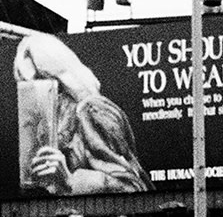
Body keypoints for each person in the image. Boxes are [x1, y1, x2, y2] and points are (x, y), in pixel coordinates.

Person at [13, 33, 150, 195]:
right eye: (25, 84)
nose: (33, 91)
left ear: (54, 73)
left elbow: (134, 187)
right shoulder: (48, 123)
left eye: (38, 79)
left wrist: (70, 181)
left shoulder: (91, 110)